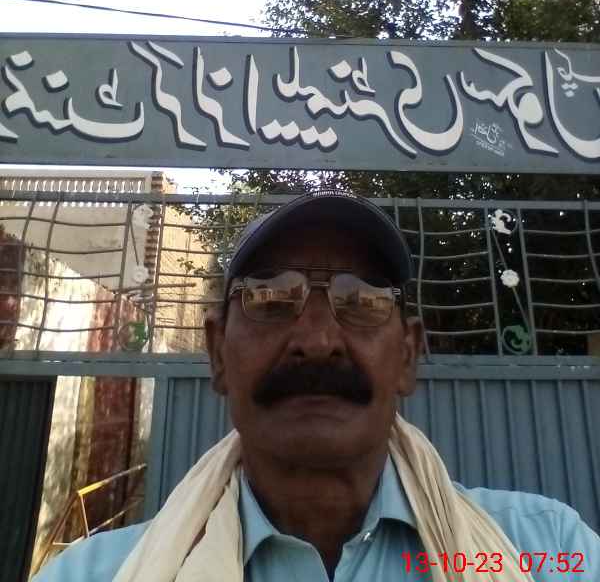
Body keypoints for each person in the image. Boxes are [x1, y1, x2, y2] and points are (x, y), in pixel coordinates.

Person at [33, 191, 599, 581]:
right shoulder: (94, 574)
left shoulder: (549, 552)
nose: (318, 339)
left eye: (363, 300)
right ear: (217, 354)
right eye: (270, 297)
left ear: (407, 356)